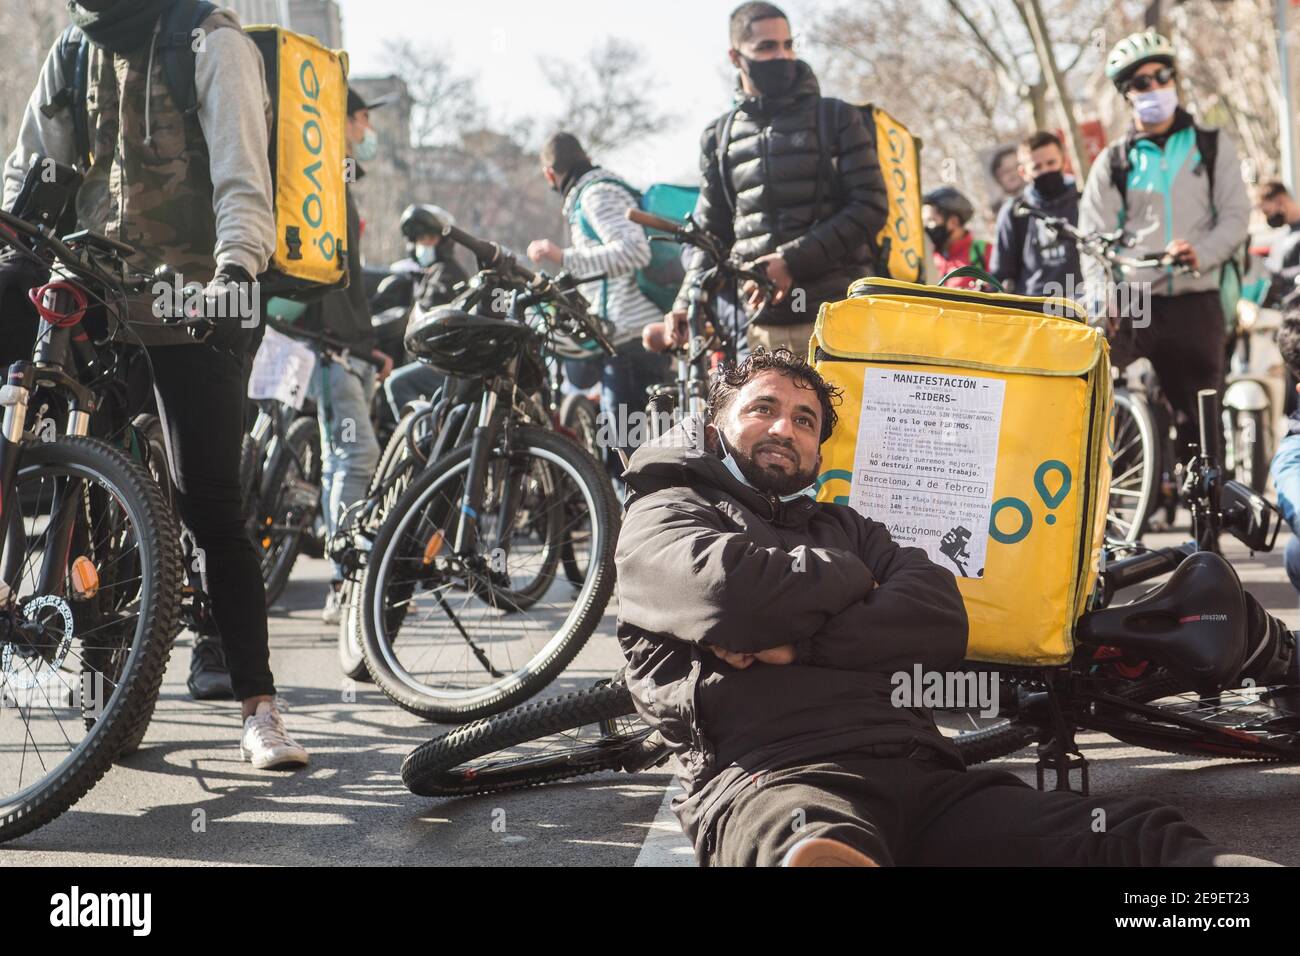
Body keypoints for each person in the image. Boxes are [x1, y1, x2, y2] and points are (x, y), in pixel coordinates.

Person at [615, 346, 1275, 867]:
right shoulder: (665, 511)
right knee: (812, 850)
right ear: (715, 428)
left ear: (819, 452)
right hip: (778, 778)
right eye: (763, 409)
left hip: (926, 774)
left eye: (805, 419)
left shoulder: (849, 528)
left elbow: (936, 615)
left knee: (1139, 837)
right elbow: (733, 596)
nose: (785, 427)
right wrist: (853, 584)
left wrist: (799, 643)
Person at [2, 0, 306, 767]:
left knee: (209, 499)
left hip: (196, 291)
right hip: (97, 281)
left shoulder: (208, 38)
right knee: (91, 463)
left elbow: (243, 169)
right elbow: (32, 164)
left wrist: (237, 267)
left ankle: (259, 707)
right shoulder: (73, 46)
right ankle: (108, 681)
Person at [659, 2, 888, 362]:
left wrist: (791, 261)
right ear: (735, 57)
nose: (783, 56)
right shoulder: (718, 137)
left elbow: (871, 208)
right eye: (767, 47)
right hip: (760, 329)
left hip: (841, 320)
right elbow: (710, 235)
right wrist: (687, 302)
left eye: (789, 44)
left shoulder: (837, 117)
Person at [1079, 29, 1250, 462]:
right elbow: (1093, 238)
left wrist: (1202, 253)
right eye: (1141, 82)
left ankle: (1205, 526)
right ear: (1126, 95)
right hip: (1135, 299)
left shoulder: (1211, 145)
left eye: (1163, 76)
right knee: (1094, 397)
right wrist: (1103, 298)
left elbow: (1235, 217)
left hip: (1197, 297)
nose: (1154, 87)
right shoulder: (1113, 162)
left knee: (1201, 427)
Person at [527, 132, 668, 472]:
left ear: (550, 174)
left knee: (622, 454)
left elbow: (634, 250)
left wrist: (563, 256)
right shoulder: (603, 190)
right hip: (638, 335)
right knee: (644, 448)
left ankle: (628, 522)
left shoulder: (596, 195)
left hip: (629, 337)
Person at [305, 88, 393, 625]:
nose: (367, 129)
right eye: (361, 118)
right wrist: (344, 340)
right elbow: (326, 276)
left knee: (346, 456)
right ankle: (343, 580)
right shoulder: (324, 180)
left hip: (344, 343)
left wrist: (366, 341)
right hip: (331, 345)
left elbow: (348, 277)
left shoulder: (339, 180)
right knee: (353, 456)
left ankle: (344, 575)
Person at [382, 204, 467, 425]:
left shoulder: (448, 273)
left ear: (443, 242)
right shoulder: (427, 274)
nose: (424, 244)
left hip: (447, 363)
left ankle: (423, 442)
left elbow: (427, 314)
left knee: (396, 383)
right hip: (433, 359)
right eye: (420, 239)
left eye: (430, 238)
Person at [989, 131, 1083, 298]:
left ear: (1064, 160)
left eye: (1051, 162)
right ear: (1023, 172)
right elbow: (1001, 271)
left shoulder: (1084, 201)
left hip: (1086, 303)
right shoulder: (1014, 212)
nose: (1045, 171)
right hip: (1037, 309)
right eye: (1037, 167)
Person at [923, 187, 990, 289]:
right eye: (925, 222)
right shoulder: (927, 259)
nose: (927, 227)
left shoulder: (984, 252)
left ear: (953, 221)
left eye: (932, 220)